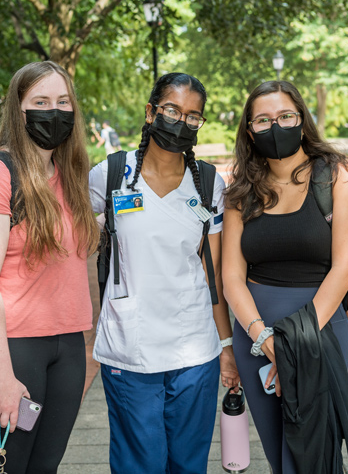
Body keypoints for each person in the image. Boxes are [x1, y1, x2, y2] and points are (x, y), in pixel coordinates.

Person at [0, 61, 99, 474]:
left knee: (43, 467)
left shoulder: (69, 174)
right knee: (4, 468)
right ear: (18, 111)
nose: (54, 112)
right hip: (10, 349)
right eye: (40, 102)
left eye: (63, 101)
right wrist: (2, 378)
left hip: (67, 346)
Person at [89, 73, 239, 474]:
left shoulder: (208, 184)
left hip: (194, 348)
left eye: (193, 116)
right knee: (140, 464)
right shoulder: (110, 175)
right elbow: (67, 242)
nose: (180, 122)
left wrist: (226, 347)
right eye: (172, 110)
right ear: (151, 112)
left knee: (188, 465)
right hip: (129, 346)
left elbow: (215, 276)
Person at [222, 80, 348, 473]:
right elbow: (232, 277)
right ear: (249, 131)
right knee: (278, 454)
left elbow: (345, 267)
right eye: (263, 120)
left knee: (312, 454)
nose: (276, 126)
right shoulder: (239, 192)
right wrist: (264, 337)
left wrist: (294, 342)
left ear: (302, 120)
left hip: (318, 331)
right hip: (255, 338)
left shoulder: (339, 178)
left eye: (285, 116)